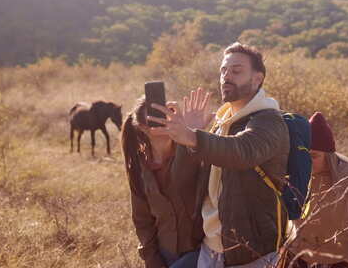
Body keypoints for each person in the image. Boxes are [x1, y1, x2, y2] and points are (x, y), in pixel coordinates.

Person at [147, 42, 290, 267]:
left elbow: (241, 151)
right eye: (223, 70)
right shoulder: (221, 124)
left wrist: (193, 137)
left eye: (236, 71)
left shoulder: (269, 121)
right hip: (211, 247)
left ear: (257, 78)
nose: (226, 76)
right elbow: (186, 182)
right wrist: (186, 141)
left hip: (251, 252)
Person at [288, 112, 348, 268]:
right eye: (304, 156)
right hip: (298, 255)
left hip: (338, 259)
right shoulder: (295, 172)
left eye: (314, 156)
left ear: (328, 155)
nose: (307, 162)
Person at [121, 95, 205, 268]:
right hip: (165, 255)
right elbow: (143, 221)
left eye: (168, 116)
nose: (166, 122)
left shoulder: (193, 152)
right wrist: (152, 259)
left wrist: (193, 134)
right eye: (156, 118)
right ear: (143, 128)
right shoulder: (139, 168)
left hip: (201, 252)